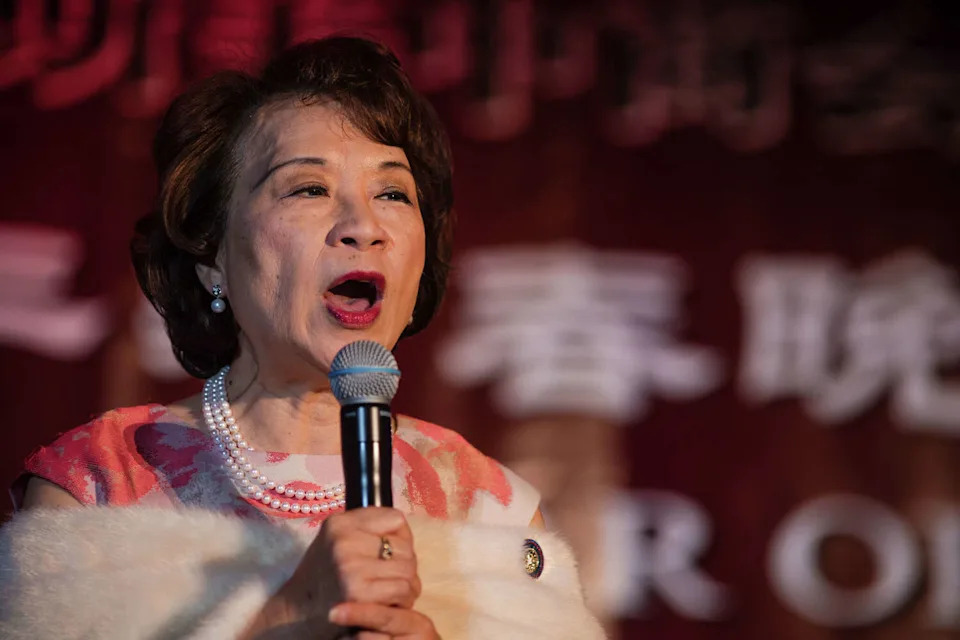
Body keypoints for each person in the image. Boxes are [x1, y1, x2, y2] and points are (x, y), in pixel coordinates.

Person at [0, 37, 604, 639]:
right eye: (309, 189)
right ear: (212, 257)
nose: (363, 226)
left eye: (393, 193)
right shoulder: (100, 483)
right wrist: (283, 620)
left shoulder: (489, 508)